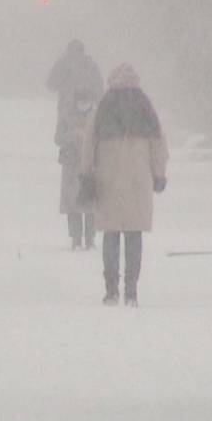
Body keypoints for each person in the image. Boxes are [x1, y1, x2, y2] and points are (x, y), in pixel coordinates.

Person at [81, 63, 169, 307]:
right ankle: (131, 291)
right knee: (133, 235)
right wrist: (159, 173)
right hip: (138, 181)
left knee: (110, 235)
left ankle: (111, 290)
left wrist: (86, 171)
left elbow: (89, 142)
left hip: (109, 179)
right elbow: (158, 144)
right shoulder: (145, 107)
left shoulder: (104, 107)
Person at [57, 88, 96, 249]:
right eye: (81, 101)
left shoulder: (97, 115)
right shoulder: (66, 115)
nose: (83, 105)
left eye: (86, 101)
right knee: (72, 201)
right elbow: (58, 137)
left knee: (90, 201)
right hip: (71, 162)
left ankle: (90, 237)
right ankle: (75, 237)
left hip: (90, 163)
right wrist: (72, 135)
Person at [46, 39, 104, 133]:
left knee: (65, 137)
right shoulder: (90, 64)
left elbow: (51, 85)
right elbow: (99, 87)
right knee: (87, 136)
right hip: (86, 107)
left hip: (67, 108)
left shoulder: (63, 64)